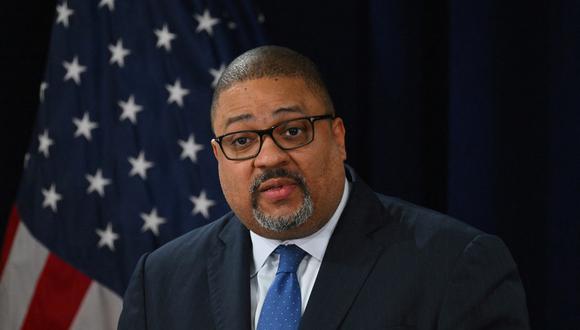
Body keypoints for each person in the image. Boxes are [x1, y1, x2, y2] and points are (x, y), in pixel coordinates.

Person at [118, 46, 529, 330]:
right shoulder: (161, 281)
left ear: (338, 137)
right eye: (242, 140)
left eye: (293, 131)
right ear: (218, 157)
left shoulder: (455, 264)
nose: (269, 158)